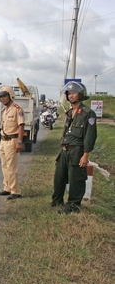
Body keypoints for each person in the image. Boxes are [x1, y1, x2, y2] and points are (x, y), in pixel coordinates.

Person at [50, 81, 97, 214]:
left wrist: (86, 155)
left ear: (81, 95)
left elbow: (90, 135)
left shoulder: (88, 113)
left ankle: (73, 205)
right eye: (69, 93)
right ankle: (56, 201)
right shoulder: (70, 112)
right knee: (59, 177)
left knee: (76, 179)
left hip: (77, 151)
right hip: (64, 150)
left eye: (74, 93)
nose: (71, 96)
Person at [0, 86, 25, 200]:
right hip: (3, 140)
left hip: (12, 141)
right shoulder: (5, 110)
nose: (2, 99)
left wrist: (19, 142)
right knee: (4, 166)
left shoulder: (17, 109)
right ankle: (7, 188)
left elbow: (21, 125)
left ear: (10, 96)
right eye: (0, 96)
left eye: (4, 96)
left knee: (12, 167)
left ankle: (15, 190)